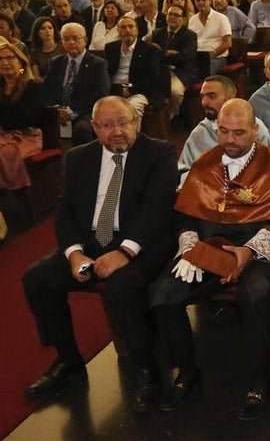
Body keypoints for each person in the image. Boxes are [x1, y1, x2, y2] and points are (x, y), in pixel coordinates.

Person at [151, 98, 270, 419]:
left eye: (238, 132)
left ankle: (261, 379)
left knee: (257, 292)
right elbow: (185, 215)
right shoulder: (205, 163)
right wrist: (191, 248)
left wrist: (249, 251)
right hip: (209, 248)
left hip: (263, 251)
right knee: (164, 294)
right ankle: (188, 371)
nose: (230, 140)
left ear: (254, 130)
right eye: (223, 131)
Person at [22, 97, 177, 410]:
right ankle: (68, 359)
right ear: (95, 128)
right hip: (92, 243)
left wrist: (125, 252)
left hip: (142, 243)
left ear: (136, 121)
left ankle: (146, 367)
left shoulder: (159, 153)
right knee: (37, 278)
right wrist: (74, 254)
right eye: (107, 126)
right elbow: (65, 212)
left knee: (123, 285)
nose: (116, 132)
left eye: (123, 122)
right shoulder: (80, 157)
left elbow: (156, 210)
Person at [178, 75, 270, 176]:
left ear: (230, 97)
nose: (205, 102)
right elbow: (185, 172)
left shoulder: (256, 128)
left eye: (211, 96)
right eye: (202, 97)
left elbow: (268, 169)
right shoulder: (199, 133)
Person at [0, 42, 49, 224]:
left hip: (27, 135)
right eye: (1, 58)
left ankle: (13, 198)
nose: (5, 62)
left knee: (4, 153)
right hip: (4, 134)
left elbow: (27, 118)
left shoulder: (33, 87)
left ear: (21, 62)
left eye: (10, 57)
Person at [44, 23, 110, 145]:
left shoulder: (98, 64)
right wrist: (57, 109)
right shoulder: (55, 62)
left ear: (85, 40)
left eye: (75, 38)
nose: (71, 42)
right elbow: (46, 91)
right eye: (66, 39)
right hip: (58, 112)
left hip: (85, 112)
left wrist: (72, 111)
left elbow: (101, 94)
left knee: (82, 128)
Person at [104, 16, 165, 118]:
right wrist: (116, 90)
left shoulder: (150, 50)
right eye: (123, 27)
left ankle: (132, 134)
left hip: (139, 91)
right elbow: (107, 73)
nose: (127, 30)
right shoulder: (111, 48)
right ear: (118, 31)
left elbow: (152, 77)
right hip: (114, 90)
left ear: (137, 30)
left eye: (131, 27)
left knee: (131, 109)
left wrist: (130, 90)